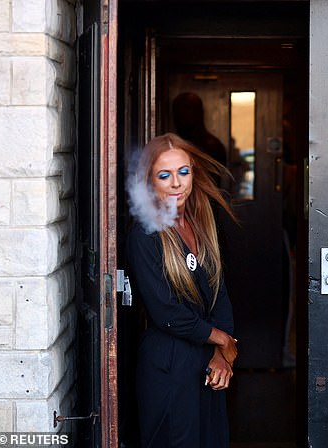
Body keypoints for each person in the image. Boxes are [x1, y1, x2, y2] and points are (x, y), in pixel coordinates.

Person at [126, 132, 238, 447]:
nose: (177, 183)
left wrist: (221, 355)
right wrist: (222, 339)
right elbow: (166, 313)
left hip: (205, 360)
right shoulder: (144, 236)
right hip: (169, 364)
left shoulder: (201, 223)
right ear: (149, 182)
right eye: (165, 175)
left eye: (183, 172)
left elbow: (219, 290)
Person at [173, 92, 227, 166]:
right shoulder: (171, 144)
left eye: (188, 109)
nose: (181, 115)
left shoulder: (213, 146)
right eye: (177, 111)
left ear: (199, 113)